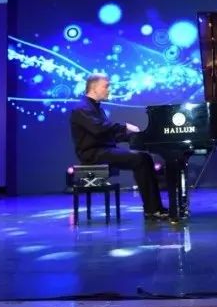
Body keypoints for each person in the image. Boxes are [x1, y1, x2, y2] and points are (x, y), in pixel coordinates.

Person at [70, 74, 168, 220]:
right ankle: (152, 209)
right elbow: (99, 128)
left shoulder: (96, 108)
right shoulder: (82, 108)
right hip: (93, 153)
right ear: (94, 88)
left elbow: (107, 134)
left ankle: (155, 207)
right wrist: (125, 128)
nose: (109, 90)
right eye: (106, 86)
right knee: (140, 159)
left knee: (145, 158)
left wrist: (135, 137)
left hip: (103, 150)